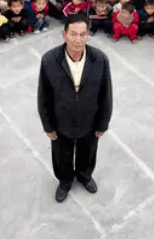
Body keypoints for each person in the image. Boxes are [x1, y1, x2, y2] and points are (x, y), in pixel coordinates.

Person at [37, 13, 112, 203]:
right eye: (73, 34)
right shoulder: (49, 60)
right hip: (61, 122)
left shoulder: (100, 59)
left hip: (90, 121)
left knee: (88, 152)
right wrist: (48, 126)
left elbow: (106, 94)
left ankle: (84, 175)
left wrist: (102, 124)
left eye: (83, 34)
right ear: (64, 35)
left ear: (88, 35)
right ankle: (65, 181)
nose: (78, 40)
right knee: (61, 155)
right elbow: (43, 96)